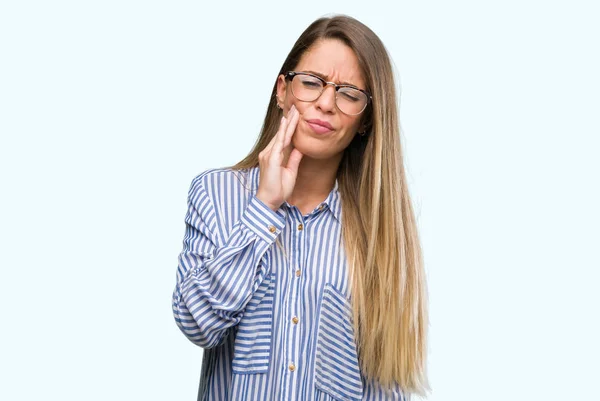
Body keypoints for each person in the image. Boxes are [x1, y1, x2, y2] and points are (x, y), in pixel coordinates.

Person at [172, 14, 430, 401]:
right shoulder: (216, 194)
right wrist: (264, 207)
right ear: (282, 91)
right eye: (312, 83)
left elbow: (383, 384)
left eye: (348, 93)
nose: (326, 103)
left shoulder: (379, 230)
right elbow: (198, 325)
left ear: (365, 120)